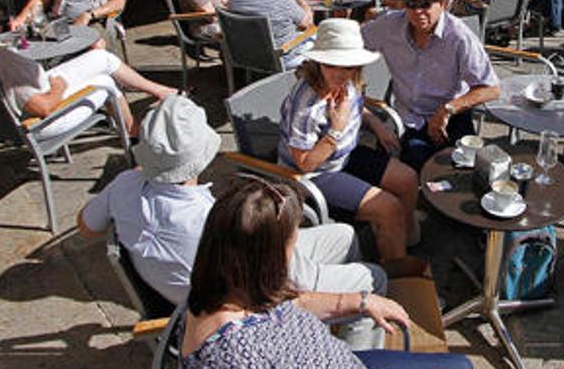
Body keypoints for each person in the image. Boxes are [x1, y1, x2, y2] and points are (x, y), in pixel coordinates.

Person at [77, 95, 388, 345]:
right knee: (373, 279)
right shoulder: (216, 219)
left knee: (345, 234)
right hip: (250, 303)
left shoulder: (123, 186)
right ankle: (350, 354)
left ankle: (329, 335)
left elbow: (86, 225)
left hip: (203, 289)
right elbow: (271, 285)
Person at [176, 175, 471, 368]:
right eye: (293, 241)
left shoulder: (223, 281)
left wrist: (361, 302)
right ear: (268, 258)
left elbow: (284, 304)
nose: (297, 248)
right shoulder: (241, 355)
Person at [0, 0, 173, 139]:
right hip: (37, 122)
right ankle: (131, 131)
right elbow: (43, 108)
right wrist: (58, 86)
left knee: (101, 57)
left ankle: (161, 91)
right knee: (105, 81)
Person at [279, 19, 420, 262]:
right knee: (390, 208)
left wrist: (375, 124)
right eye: (332, 64)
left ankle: (400, 240)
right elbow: (305, 163)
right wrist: (336, 129)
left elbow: (356, 106)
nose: (341, 73)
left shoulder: (350, 80)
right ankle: (397, 274)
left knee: (408, 180)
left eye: (349, 66)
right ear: (319, 61)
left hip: (346, 155)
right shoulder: (307, 102)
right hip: (317, 173)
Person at [362, 0, 501, 170]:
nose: (418, 11)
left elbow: (492, 89)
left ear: (443, 4)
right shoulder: (390, 25)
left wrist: (447, 109)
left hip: (453, 114)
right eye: (411, 4)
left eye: (426, 4)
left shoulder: (459, 36)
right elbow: (354, 43)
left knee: (460, 170)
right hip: (409, 117)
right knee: (410, 163)